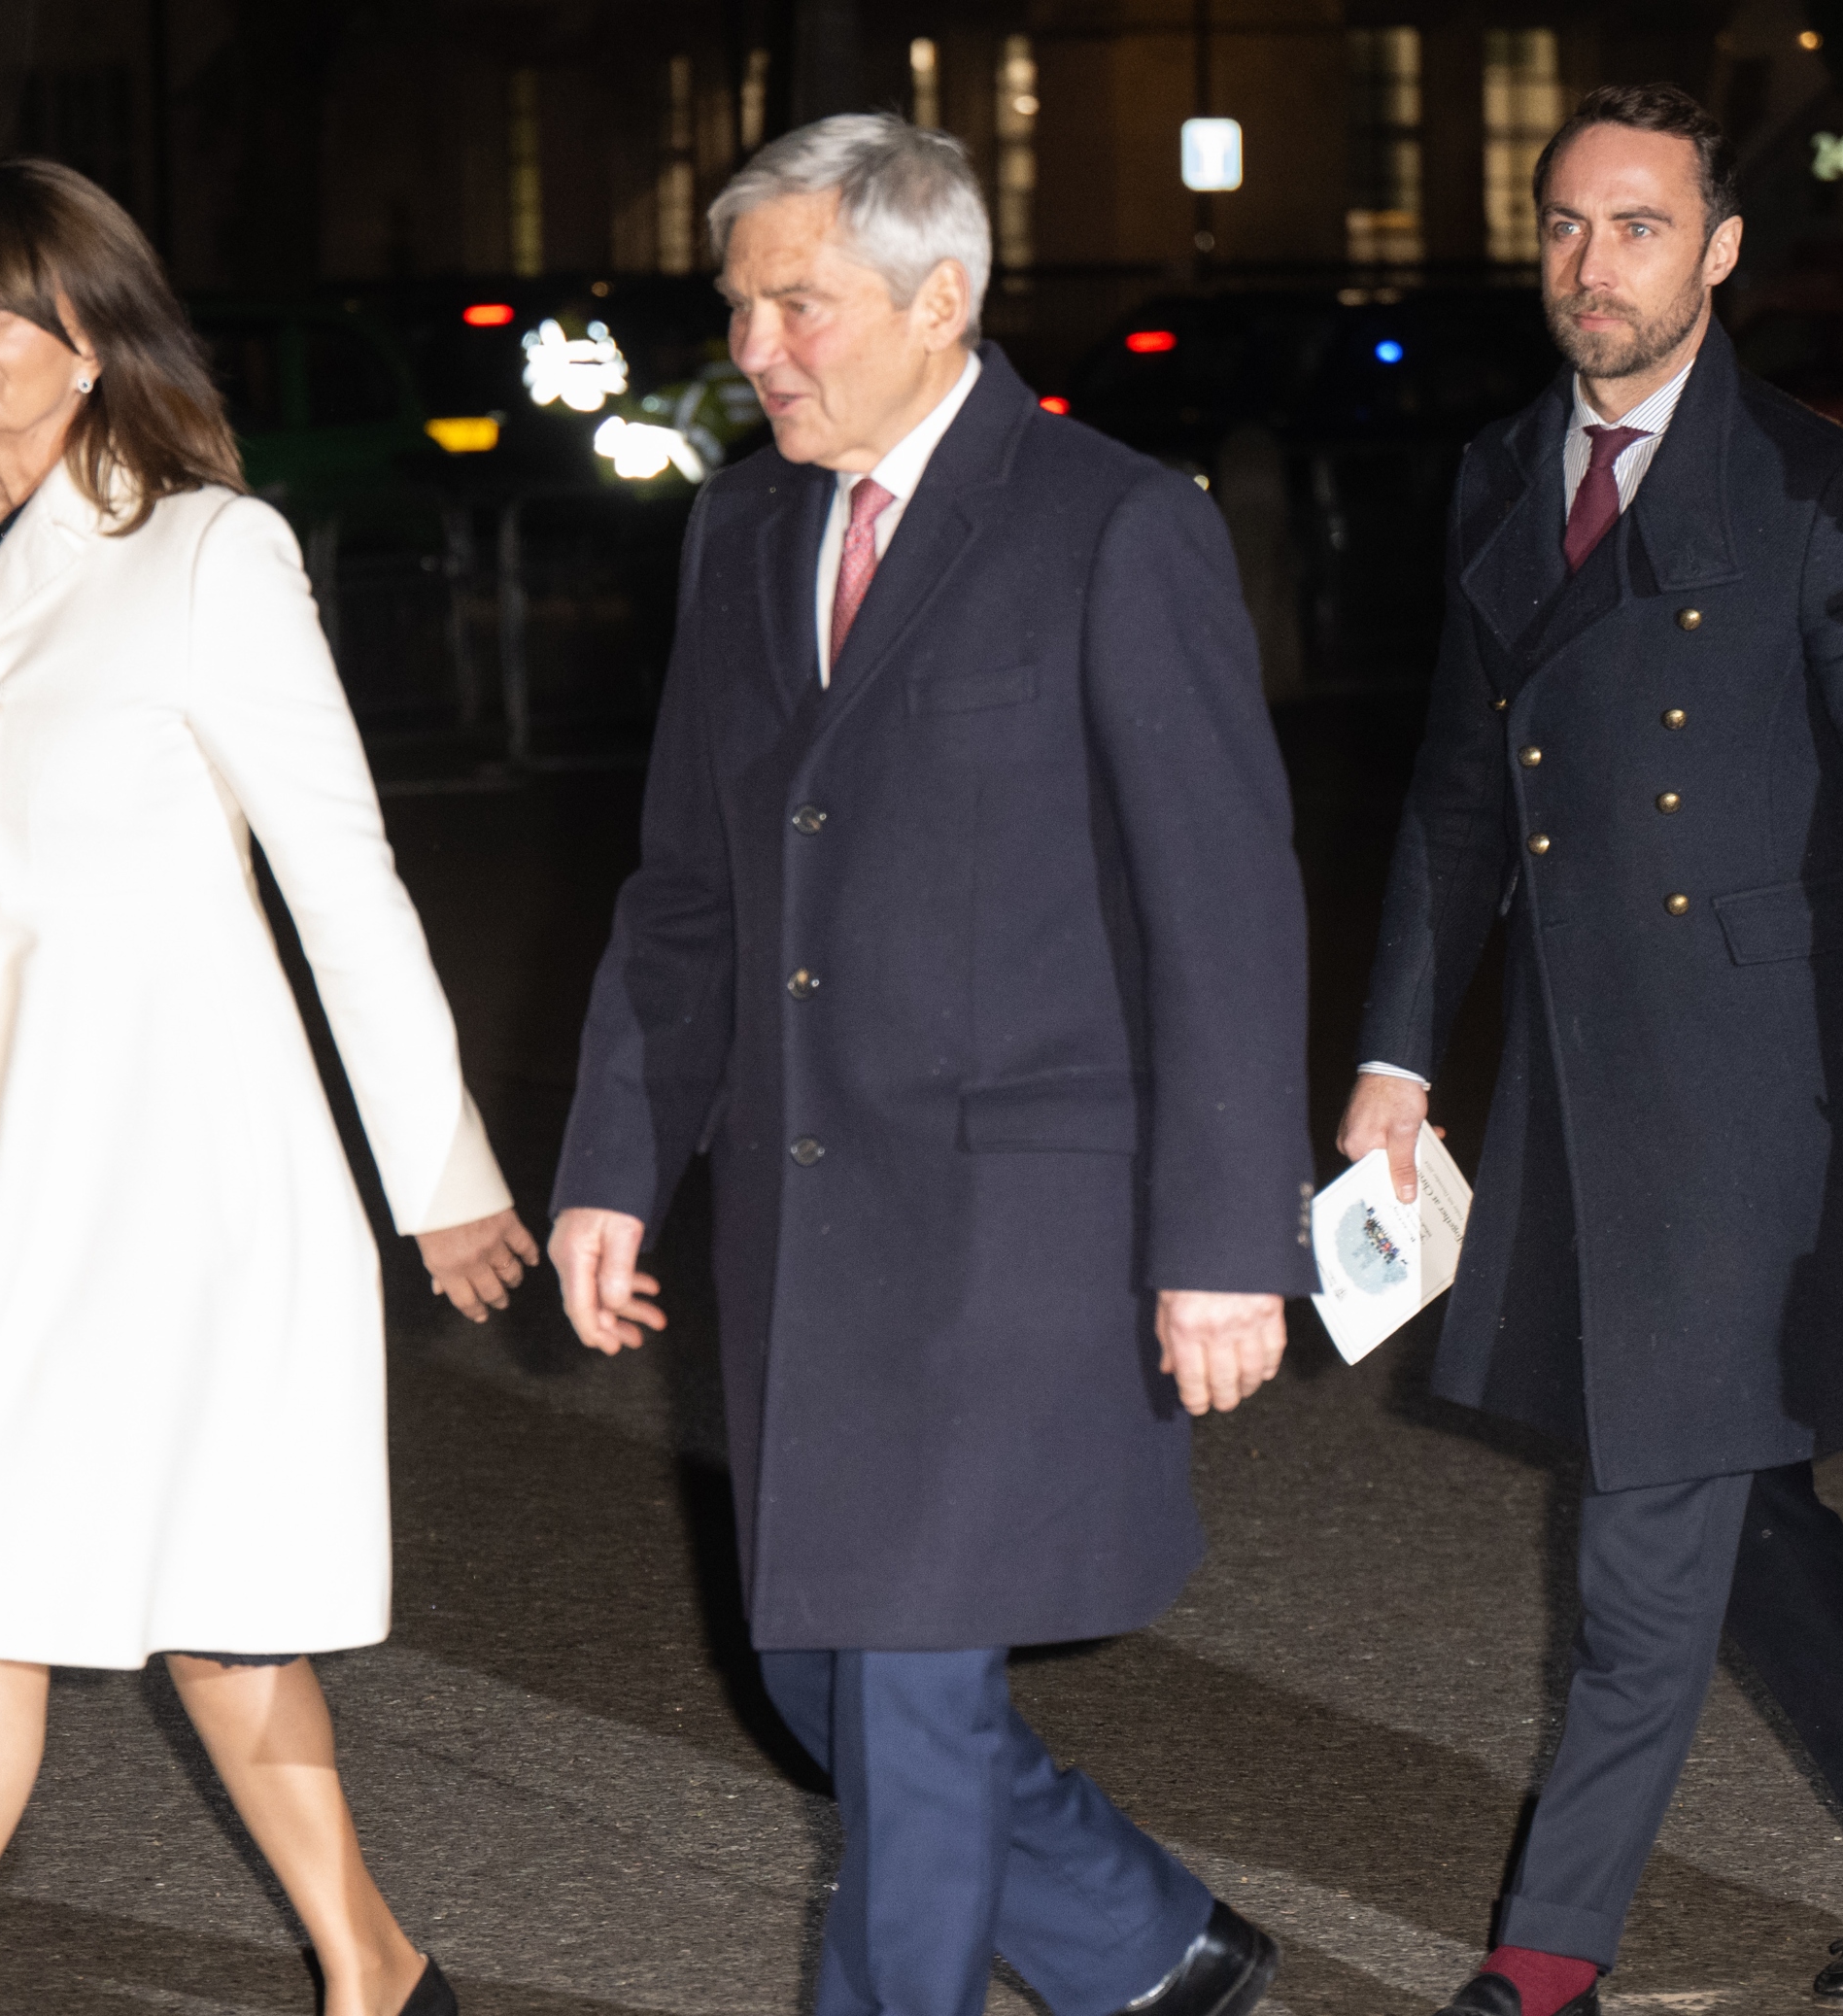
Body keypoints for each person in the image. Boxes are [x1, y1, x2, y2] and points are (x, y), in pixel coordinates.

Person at [0, 160, 529, 2016]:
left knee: (212, 1625)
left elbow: (344, 879)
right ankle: (364, 1969)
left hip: (186, 1173)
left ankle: (361, 1964)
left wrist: (444, 1174)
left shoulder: (206, 553)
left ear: (91, 342)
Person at [544, 115, 1311, 2016]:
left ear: (938, 295)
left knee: (899, 1695)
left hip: (1013, 1231)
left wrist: (1227, 1233)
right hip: (808, 1229)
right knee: (819, 1676)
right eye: (741, 308)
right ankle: (1143, 1937)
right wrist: (612, 1157)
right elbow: (689, 887)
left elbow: (1222, 907)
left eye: (797, 304)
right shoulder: (739, 528)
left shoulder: (1111, 524)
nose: (757, 348)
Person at [1339, 84, 1843, 2016]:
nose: (1592, 263)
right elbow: (1454, 799)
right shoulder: (1500, 471)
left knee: (1643, 1536)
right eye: (1565, 226)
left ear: (1720, 252)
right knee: (1725, 1491)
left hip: (1754, 1096)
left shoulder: (1815, 490)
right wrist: (1396, 1055)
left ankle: (1540, 1961)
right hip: (1578, 1086)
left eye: (1636, 226)